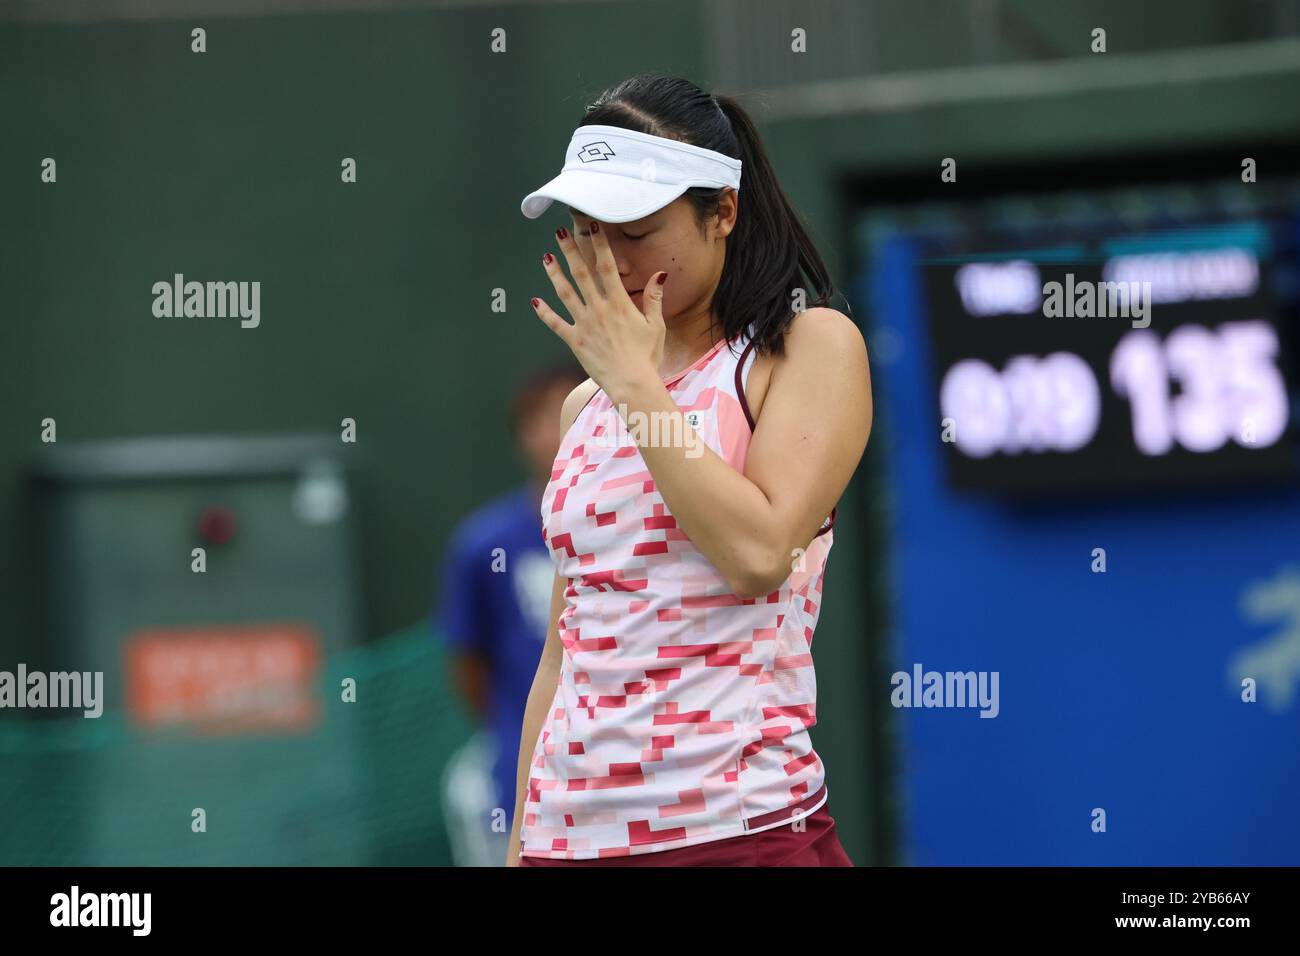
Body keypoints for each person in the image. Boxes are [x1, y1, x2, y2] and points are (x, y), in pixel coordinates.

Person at [507, 73, 873, 867]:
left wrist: (637, 386)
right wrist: (520, 843)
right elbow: (564, 652)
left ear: (724, 212)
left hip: (736, 831)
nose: (608, 261)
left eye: (635, 231)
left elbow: (756, 557)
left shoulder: (812, 348)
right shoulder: (584, 408)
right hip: (565, 841)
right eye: (585, 230)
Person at [435, 362, 587, 866]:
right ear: (522, 434)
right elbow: (467, 665)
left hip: (625, 781)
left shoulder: (641, 525)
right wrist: (518, 729)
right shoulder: (483, 544)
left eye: (579, 409)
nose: (563, 430)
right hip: (519, 781)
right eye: (545, 418)